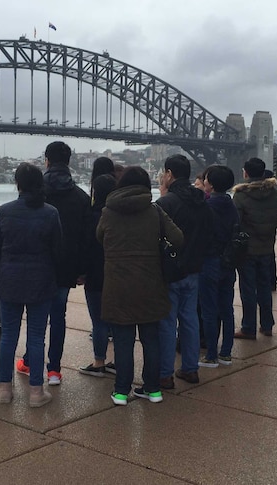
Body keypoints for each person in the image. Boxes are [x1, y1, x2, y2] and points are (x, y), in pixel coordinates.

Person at [97, 166, 183, 405]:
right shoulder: (154, 211)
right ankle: (153, 389)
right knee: (150, 338)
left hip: (118, 283)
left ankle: (122, 391)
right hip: (150, 281)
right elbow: (177, 238)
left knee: (123, 339)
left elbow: (99, 236)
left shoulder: (108, 211)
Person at [16, 141, 91, 385]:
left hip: (37, 265)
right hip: (65, 267)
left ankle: (28, 361)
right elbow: (85, 238)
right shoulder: (81, 197)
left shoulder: (35, 194)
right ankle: (54, 370)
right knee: (59, 316)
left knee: (35, 317)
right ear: (68, 162)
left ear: (47, 161)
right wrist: (82, 270)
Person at [0, 163, 62, 408]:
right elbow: (57, 250)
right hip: (40, 281)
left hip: (9, 280)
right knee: (36, 337)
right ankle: (35, 392)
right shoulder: (50, 213)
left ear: (18, 184)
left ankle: (4, 389)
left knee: (8, 337)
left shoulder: (4, 211)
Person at [155, 155, 211, 388]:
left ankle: (165, 374)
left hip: (170, 271)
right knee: (189, 319)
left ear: (169, 174)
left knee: (167, 322)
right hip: (194, 269)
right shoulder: (202, 200)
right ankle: (190, 368)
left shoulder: (166, 203)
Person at [232, 158, 277, 339]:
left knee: (248, 289)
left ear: (245, 172)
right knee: (264, 287)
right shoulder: (275, 194)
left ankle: (248, 327)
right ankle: (267, 324)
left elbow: (236, 223)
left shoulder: (240, 196)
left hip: (247, 249)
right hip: (266, 247)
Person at [198, 165, 238, 366]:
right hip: (229, 262)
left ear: (210, 184)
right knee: (226, 309)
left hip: (209, 262)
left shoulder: (206, 208)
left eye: (205, 180)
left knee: (208, 310)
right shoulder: (232, 206)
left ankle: (211, 354)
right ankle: (226, 353)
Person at [79, 173, 118, 377]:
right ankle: (119, 361)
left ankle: (99, 362)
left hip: (95, 274)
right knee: (119, 321)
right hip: (119, 274)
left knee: (99, 322)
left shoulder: (91, 216)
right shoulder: (122, 215)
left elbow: (85, 246)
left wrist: (81, 271)